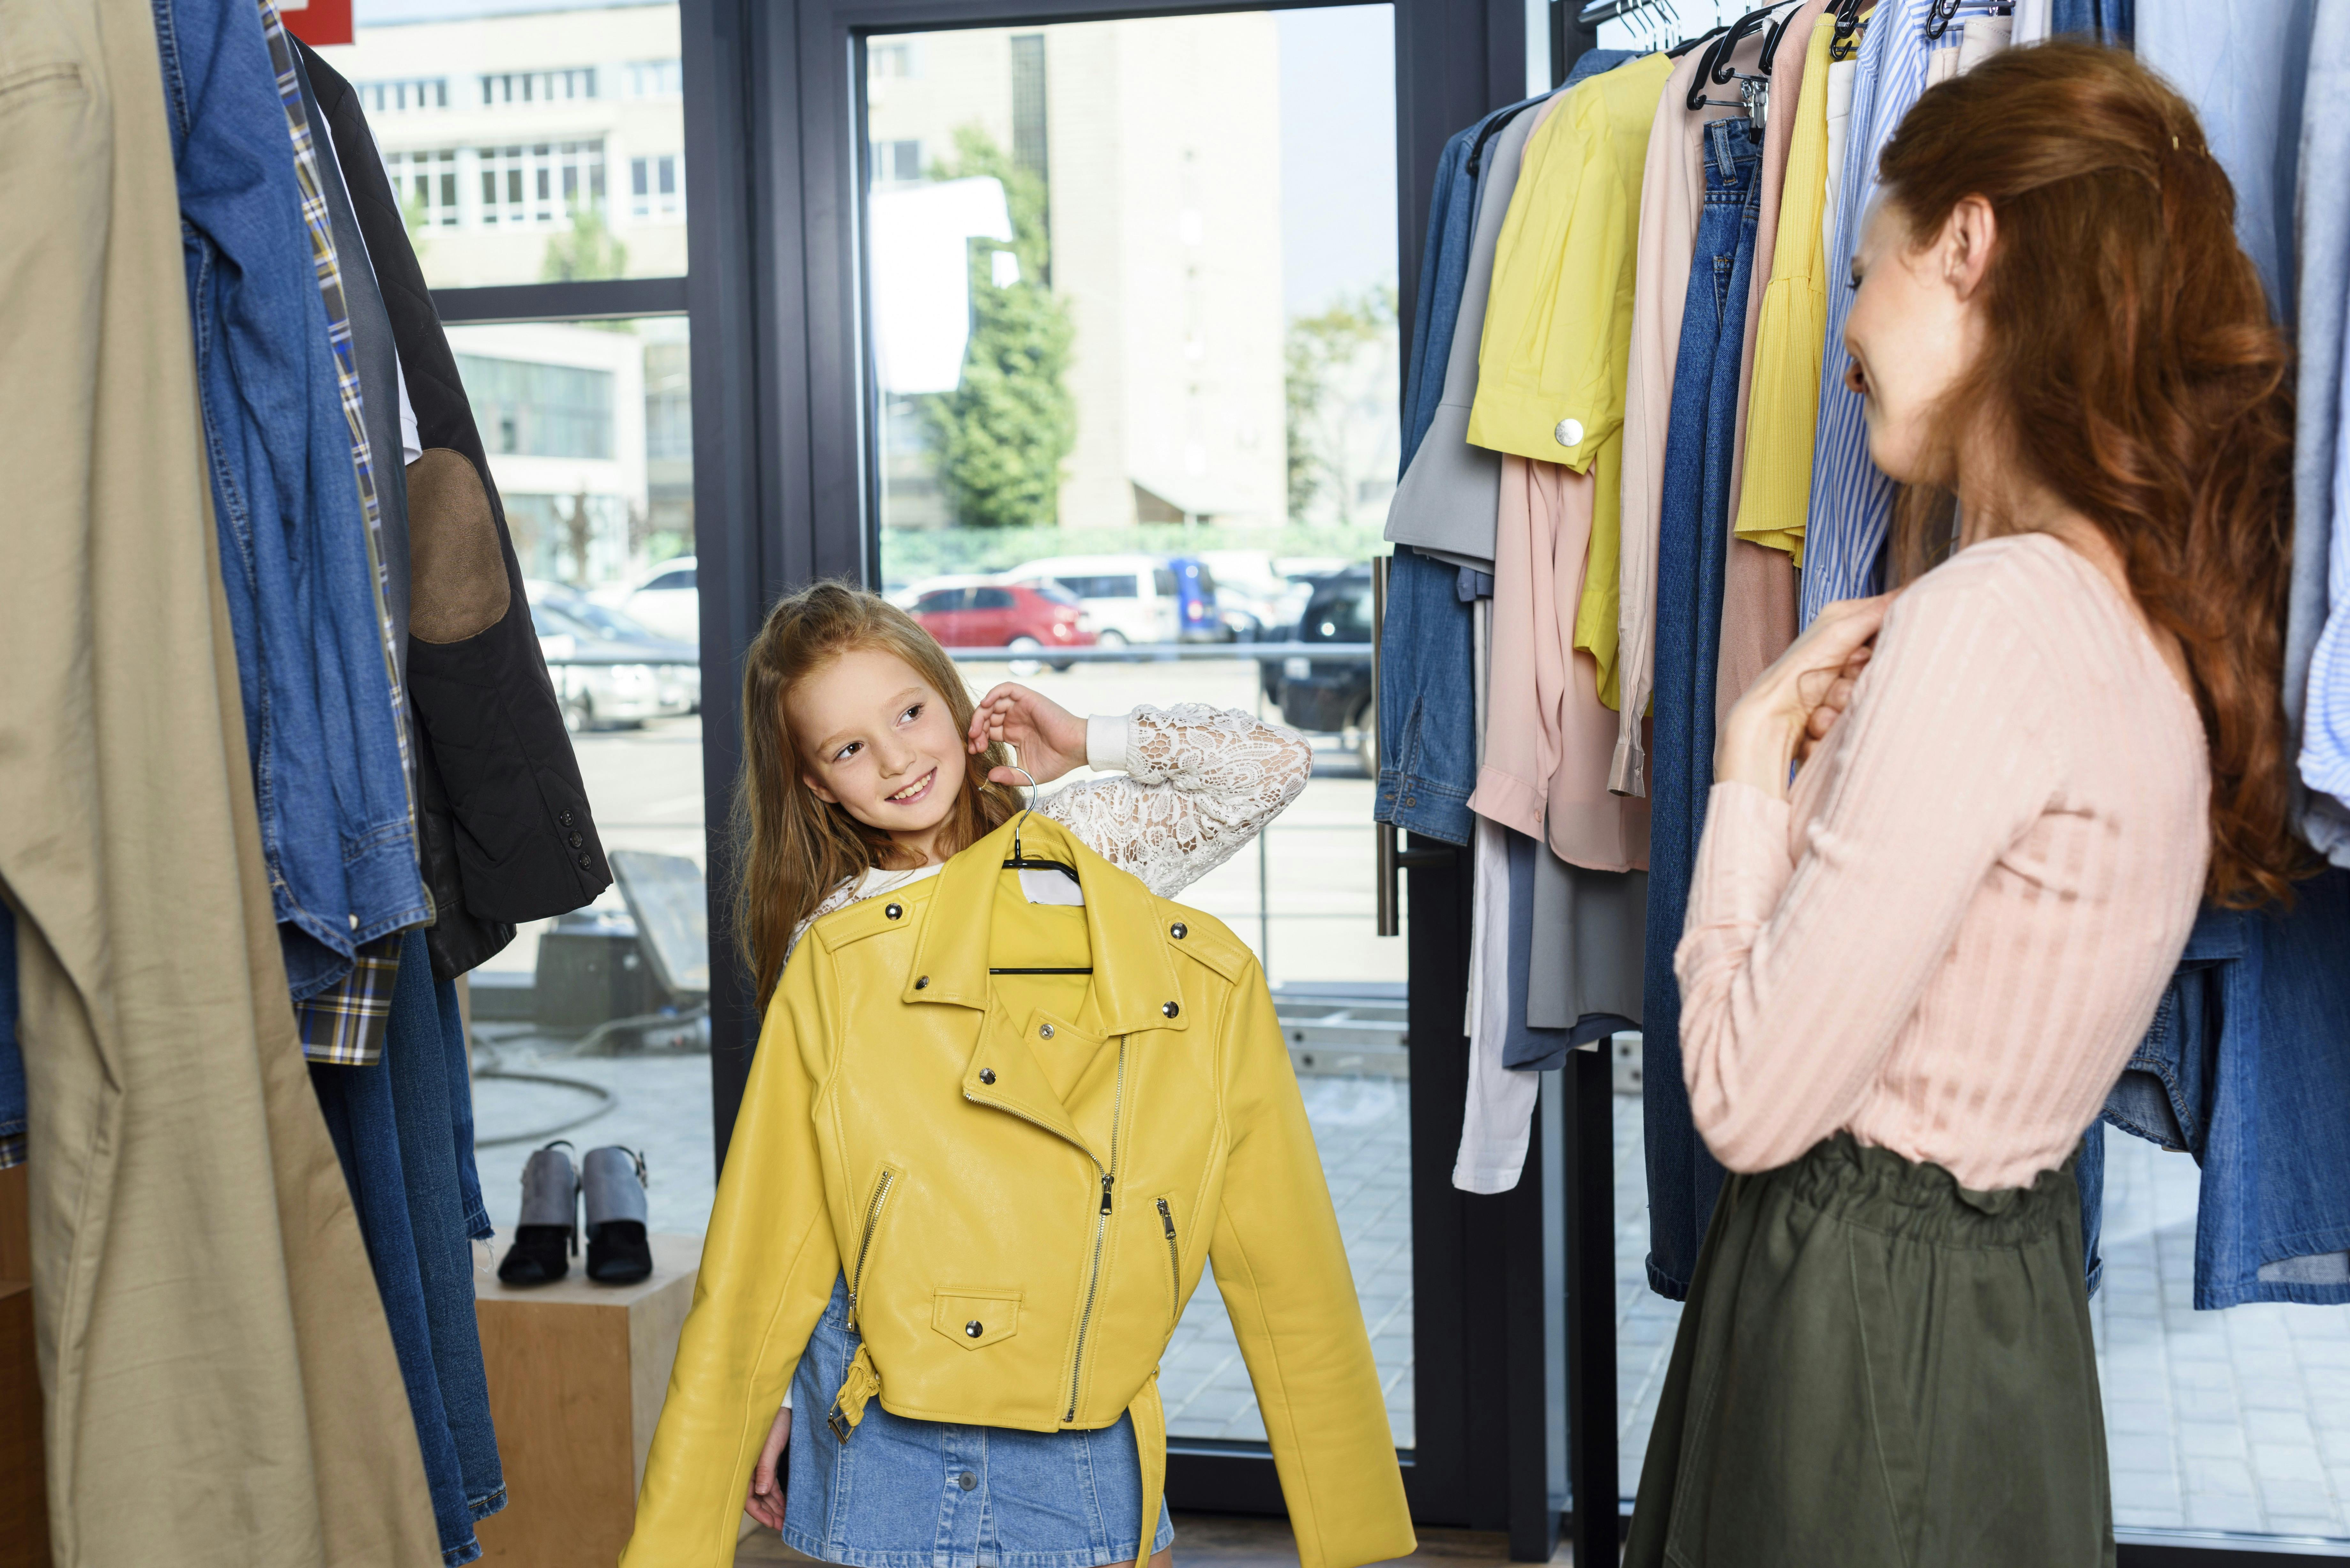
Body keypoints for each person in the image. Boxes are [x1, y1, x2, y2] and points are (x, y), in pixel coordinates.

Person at [1625, 43, 2297, 1566]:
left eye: (1862, 269)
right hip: (1997, 1310)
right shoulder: (2140, 625)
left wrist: (1745, 764)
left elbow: (1744, 1099)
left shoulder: (1987, 615)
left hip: (1854, 1323)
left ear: (1969, 245)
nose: (1846, 328)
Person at [629, 580, 1333, 1568]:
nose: (898, 759)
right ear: (817, 785)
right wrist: (778, 1394)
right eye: (848, 748)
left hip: (1081, 1378)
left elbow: (1275, 764)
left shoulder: (1088, 851)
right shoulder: (831, 939)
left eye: (910, 713)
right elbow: (795, 1215)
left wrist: (1085, 735)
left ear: (956, 709)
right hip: (878, 1407)